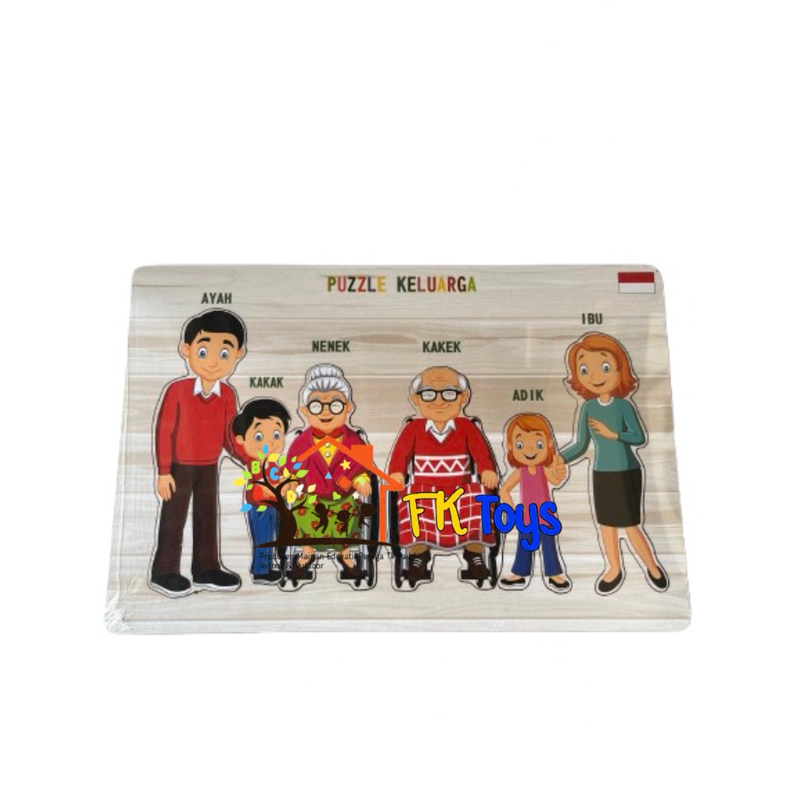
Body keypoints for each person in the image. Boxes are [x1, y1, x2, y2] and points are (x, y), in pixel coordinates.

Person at [560, 332, 669, 595]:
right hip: (601, 473)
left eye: (605, 367)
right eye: (584, 370)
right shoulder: (588, 408)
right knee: (606, 525)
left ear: (620, 369)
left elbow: (639, 437)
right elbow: (581, 444)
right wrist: (557, 458)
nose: (595, 376)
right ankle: (614, 568)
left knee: (631, 525)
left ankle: (652, 566)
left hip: (627, 471)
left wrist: (614, 435)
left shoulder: (623, 406)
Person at [149, 309, 247, 598]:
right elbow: (164, 431)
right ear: (186, 349)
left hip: (209, 466)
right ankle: (164, 571)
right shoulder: (177, 390)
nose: (213, 361)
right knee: (174, 518)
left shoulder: (227, 394)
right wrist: (163, 471)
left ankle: (206, 569)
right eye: (204, 351)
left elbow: (231, 437)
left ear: (238, 354)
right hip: (178, 466)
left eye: (224, 353)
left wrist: (252, 462)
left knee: (207, 516)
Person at [387, 366, 499, 583]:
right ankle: (418, 556)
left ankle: (474, 555)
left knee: (480, 499)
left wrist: (486, 469)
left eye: (449, 393)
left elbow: (481, 453)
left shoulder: (466, 427)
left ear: (463, 397)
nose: (439, 401)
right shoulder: (413, 429)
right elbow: (400, 455)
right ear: (416, 399)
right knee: (411, 501)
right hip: (425, 491)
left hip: (460, 490)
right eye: (429, 394)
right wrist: (397, 473)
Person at [286, 364, 372, 582]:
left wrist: (361, 479)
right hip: (312, 497)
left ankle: (346, 556)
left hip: (343, 496)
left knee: (348, 514)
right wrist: (291, 482)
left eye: (335, 405)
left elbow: (364, 467)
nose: (326, 412)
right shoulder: (301, 442)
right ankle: (306, 554)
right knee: (303, 513)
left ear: (348, 407)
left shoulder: (355, 439)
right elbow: (292, 468)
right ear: (305, 410)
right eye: (316, 406)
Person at [499, 414, 571, 593]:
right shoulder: (520, 472)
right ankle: (519, 573)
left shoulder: (543, 469)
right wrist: (513, 511)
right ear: (510, 447)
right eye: (520, 445)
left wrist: (559, 470)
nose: (530, 449)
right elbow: (504, 490)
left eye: (538, 444)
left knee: (549, 546)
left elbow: (555, 481)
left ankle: (554, 574)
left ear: (548, 444)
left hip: (545, 516)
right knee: (524, 545)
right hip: (526, 517)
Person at [232, 398, 292, 585]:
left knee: (269, 538)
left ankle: (261, 567)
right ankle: (261, 571)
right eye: (259, 437)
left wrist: (288, 484)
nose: (270, 442)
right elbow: (260, 488)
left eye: (276, 434)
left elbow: (281, 479)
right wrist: (279, 490)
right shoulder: (255, 464)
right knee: (263, 538)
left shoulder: (273, 463)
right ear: (241, 440)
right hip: (260, 507)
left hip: (272, 507)